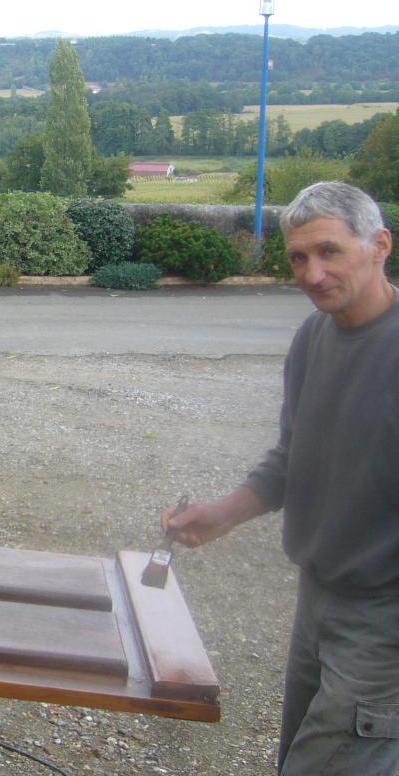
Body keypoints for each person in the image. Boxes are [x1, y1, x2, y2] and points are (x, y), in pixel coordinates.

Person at [161, 181, 399, 775]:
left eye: (329, 252)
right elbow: (293, 459)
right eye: (298, 257)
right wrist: (220, 514)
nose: (312, 274)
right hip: (319, 596)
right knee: (297, 752)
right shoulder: (313, 337)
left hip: (384, 614)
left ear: (379, 245)